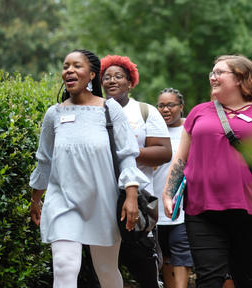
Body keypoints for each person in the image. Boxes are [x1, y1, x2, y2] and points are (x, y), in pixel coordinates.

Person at [162, 55, 252, 288]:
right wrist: (169, 192)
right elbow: (181, 157)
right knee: (208, 278)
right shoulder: (198, 112)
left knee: (246, 277)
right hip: (202, 209)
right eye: (212, 72)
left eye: (220, 72)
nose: (213, 77)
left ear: (241, 78)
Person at [29, 49, 149, 288]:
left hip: (102, 202)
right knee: (64, 266)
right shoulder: (54, 114)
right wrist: (36, 199)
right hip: (63, 202)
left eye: (77, 66)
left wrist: (132, 195)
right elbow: (45, 159)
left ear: (92, 74)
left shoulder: (109, 109)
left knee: (106, 270)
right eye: (66, 66)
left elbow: (127, 155)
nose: (69, 71)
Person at [100, 54, 172, 288]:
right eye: (107, 77)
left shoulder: (145, 111)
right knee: (104, 268)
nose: (112, 81)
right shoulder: (94, 111)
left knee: (144, 267)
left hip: (139, 200)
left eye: (119, 76)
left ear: (130, 82)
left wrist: (127, 151)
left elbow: (164, 152)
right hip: (101, 201)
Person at [153, 88, 194, 288]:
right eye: (161, 105)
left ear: (181, 107)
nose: (165, 109)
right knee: (165, 256)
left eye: (171, 105)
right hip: (156, 204)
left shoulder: (190, 130)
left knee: (182, 254)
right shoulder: (152, 129)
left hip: (182, 206)